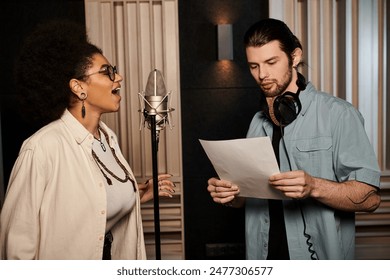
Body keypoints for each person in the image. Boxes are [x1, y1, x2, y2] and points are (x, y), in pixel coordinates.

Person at [207, 18, 381, 260]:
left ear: (295, 56)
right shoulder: (257, 123)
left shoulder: (339, 114)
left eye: (271, 62)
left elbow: (370, 199)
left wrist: (314, 186)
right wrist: (231, 195)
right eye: (253, 66)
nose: (262, 75)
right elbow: (247, 198)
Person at [0, 20, 175, 260]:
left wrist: (134, 194)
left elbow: (94, 207)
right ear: (78, 87)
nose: (119, 77)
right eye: (107, 72)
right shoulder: (41, 148)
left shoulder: (108, 138)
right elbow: (16, 247)